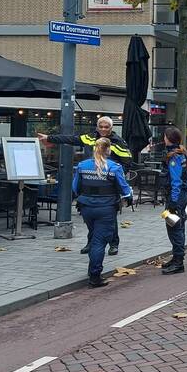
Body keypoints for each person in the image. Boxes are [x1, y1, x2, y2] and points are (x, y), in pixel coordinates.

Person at [40, 116, 132, 256]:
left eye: (106, 127)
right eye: (100, 126)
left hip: (109, 185)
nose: (103, 129)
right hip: (91, 184)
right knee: (92, 219)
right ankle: (91, 242)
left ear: (111, 128)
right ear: (97, 127)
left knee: (110, 217)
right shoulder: (90, 138)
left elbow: (127, 163)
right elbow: (71, 139)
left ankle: (113, 244)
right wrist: (49, 138)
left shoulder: (118, 142)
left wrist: (114, 177)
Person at [72, 138, 132, 288]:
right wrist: (127, 197)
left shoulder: (82, 166)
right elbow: (124, 190)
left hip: (86, 208)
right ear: (108, 150)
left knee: (93, 236)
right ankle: (95, 276)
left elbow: (75, 187)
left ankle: (91, 269)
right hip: (106, 208)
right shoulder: (114, 167)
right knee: (100, 241)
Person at [160, 126, 187, 275]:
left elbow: (176, 180)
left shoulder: (174, 156)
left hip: (176, 196)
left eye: (165, 136)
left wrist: (172, 201)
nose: (163, 138)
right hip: (182, 195)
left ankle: (178, 262)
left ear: (168, 139)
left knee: (174, 228)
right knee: (179, 226)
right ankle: (176, 257)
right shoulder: (182, 152)